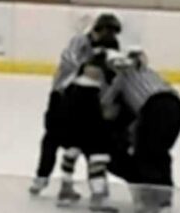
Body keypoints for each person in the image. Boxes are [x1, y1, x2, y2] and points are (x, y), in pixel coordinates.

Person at [29, 13, 122, 195]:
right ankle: (42, 177)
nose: (111, 35)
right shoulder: (80, 41)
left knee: (85, 141)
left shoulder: (109, 47)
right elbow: (69, 58)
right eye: (108, 31)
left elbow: (112, 72)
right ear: (98, 29)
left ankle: (83, 183)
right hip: (62, 94)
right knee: (53, 138)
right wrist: (88, 64)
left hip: (87, 98)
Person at [102, 49, 180, 213]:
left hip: (153, 107)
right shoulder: (152, 74)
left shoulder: (121, 77)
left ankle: (150, 198)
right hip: (176, 105)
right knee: (159, 151)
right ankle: (163, 198)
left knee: (147, 154)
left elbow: (106, 108)